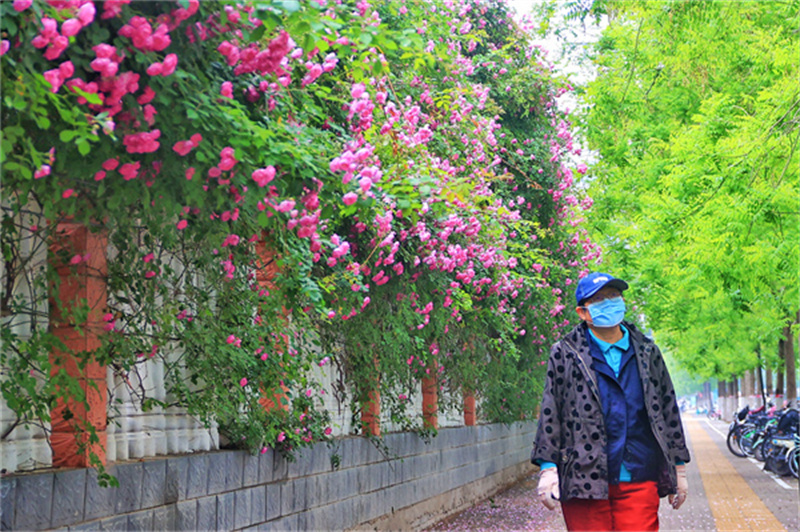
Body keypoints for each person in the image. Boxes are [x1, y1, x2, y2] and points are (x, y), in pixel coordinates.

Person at [531, 272, 690, 531]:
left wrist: (678, 468)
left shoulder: (647, 351)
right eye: (599, 299)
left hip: (639, 474)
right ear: (582, 312)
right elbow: (551, 410)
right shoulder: (565, 352)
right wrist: (548, 468)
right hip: (583, 477)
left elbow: (667, 409)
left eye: (614, 295)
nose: (609, 302)